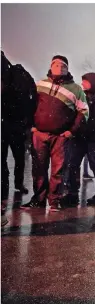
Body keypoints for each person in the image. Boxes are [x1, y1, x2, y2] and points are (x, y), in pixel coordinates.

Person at [21, 55, 88, 211]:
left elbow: (83, 112)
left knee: (58, 170)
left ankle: (54, 201)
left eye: (62, 65)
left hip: (60, 137)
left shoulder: (76, 89)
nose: (59, 67)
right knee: (38, 168)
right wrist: (32, 126)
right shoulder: (41, 84)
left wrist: (71, 131)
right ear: (51, 66)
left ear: (67, 68)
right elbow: (30, 105)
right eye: (55, 64)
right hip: (40, 134)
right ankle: (38, 200)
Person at [62, 72, 95, 207]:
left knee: (94, 165)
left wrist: (79, 129)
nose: (82, 84)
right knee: (73, 164)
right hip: (79, 138)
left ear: (93, 83)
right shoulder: (83, 97)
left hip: (92, 139)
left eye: (85, 82)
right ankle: (72, 193)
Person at [1, 51, 37, 205]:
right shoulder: (20, 76)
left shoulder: (11, 76)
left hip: (7, 123)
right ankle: (17, 184)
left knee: (4, 160)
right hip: (16, 124)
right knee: (19, 158)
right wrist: (28, 122)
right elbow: (32, 99)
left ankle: (4, 190)